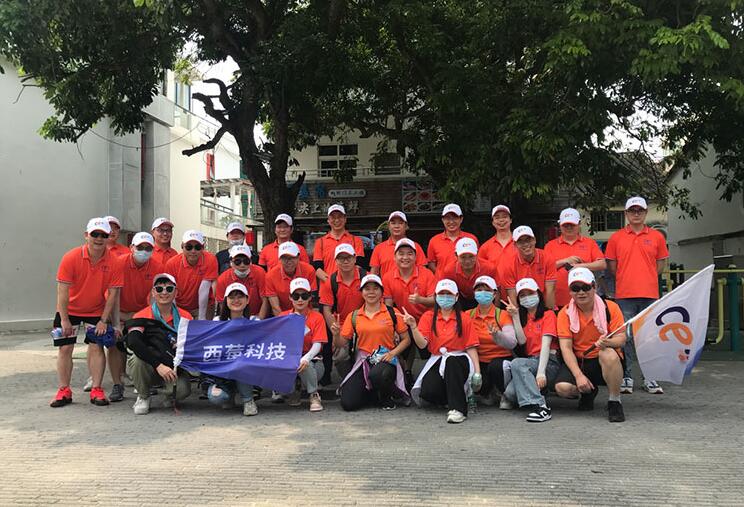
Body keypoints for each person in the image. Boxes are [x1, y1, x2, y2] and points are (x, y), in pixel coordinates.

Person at [50, 218, 123, 408]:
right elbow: (62, 291)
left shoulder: (114, 261)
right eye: (95, 234)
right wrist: (64, 319)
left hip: (96, 310)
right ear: (86, 235)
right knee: (65, 348)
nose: (99, 239)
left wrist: (103, 321)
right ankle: (64, 389)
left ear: (108, 238)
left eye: (103, 235)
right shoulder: (71, 257)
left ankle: (97, 389)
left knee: (97, 347)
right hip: (70, 309)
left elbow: (113, 295)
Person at [606, 196, 669, 395]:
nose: (636, 214)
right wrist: (628, 279)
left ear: (645, 213)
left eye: (639, 210)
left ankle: (650, 377)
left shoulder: (657, 237)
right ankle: (627, 376)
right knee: (626, 337)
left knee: (649, 337)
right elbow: (613, 267)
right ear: (626, 213)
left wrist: (646, 278)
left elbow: (660, 265)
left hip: (650, 294)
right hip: (624, 295)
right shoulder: (616, 238)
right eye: (632, 210)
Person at [553, 268, 626, 423]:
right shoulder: (564, 313)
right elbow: (566, 348)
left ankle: (614, 401)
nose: (581, 292)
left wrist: (608, 342)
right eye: (575, 288)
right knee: (562, 388)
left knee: (608, 354)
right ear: (570, 291)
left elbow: (621, 339)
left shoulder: (611, 308)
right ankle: (588, 392)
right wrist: (578, 376)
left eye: (586, 287)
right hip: (580, 360)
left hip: (602, 358)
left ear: (595, 287)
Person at [405, 279, 481, 424]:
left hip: (459, 359)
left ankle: (458, 409)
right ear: (435, 296)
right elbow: (422, 345)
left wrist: (477, 372)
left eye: (449, 294)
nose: (445, 297)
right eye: (442, 294)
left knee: (452, 362)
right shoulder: (428, 317)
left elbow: (471, 346)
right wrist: (414, 327)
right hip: (438, 358)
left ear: (456, 296)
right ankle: (453, 396)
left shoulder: (464, 318)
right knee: (428, 391)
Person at [332, 274, 411, 411]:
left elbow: (406, 340)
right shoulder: (354, 315)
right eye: (367, 289)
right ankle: (373, 395)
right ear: (361, 292)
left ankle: (388, 397)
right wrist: (336, 334)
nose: (371, 292)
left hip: (387, 359)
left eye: (375, 288)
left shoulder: (392, 312)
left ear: (382, 292)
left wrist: (393, 353)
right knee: (348, 403)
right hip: (363, 360)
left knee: (377, 375)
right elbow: (340, 343)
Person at [125, 274, 193, 415]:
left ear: (176, 292)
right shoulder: (141, 315)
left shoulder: (185, 317)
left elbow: (192, 345)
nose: (164, 293)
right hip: (150, 364)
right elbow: (133, 341)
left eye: (169, 289)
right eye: (159, 289)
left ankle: (169, 394)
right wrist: (158, 365)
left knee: (182, 391)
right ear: (153, 292)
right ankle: (143, 396)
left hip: (174, 366)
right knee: (137, 359)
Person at [108, 232, 163, 402]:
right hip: (119, 311)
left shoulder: (157, 267)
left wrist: (144, 319)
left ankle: (147, 382)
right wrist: (118, 322)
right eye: (140, 247)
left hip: (142, 314)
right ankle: (117, 384)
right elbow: (113, 295)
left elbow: (156, 296)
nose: (144, 251)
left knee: (150, 341)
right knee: (115, 343)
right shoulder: (118, 263)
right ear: (132, 248)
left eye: (148, 248)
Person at [501, 278, 561, 423]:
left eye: (530, 293)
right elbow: (522, 341)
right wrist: (515, 317)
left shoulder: (548, 314)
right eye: (522, 295)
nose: (527, 297)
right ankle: (540, 393)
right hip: (531, 361)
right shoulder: (524, 317)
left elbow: (546, 345)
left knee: (516, 363)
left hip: (548, 361)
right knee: (510, 393)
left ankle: (541, 407)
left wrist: (541, 373)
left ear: (538, 294)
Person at [382, 238, 436, 387]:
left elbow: (435, 300)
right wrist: (393, 327)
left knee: (429, 349)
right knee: (401, 337)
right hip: (403, 319)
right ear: (394, 257)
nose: (405, 257)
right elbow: (388, 305)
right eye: (401, 254)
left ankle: (432, 373)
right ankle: (405, 372)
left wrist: (420, 300)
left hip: (426, 319)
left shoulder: (427, 274)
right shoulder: (387, 277)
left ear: (416, 257)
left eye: (410, 254)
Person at [205, 283, 259, 416]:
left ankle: (248, 400)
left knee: (241, 363)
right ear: (226, 301)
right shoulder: (217, 321)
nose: (236, 300)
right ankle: (230, 393)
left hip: (246, 371)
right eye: (232, 297)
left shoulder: (254, 321)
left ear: (247, 300)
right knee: (217, 397)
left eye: (240, 296)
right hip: (222, 373)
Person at [467, 275, 516, 407]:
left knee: (496, 367)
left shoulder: (503, 314)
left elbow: (512, 342)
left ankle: (505, 394)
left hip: (500, 359)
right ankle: (486, 393)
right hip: (479, 360)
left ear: (494, 294)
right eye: (479, 290)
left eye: (487, 290)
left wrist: (497, 335)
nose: (482, 293)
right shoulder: (467, 315)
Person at [319, 244, 365, 383]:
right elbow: (326, 309)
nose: (345, 261)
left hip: (364, 321)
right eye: (341, 258)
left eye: (348, 258)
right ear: (336, 261)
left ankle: (365, 379)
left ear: (355, 258)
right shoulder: (330, 281)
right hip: (342, 324)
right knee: (340, 356)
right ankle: (349, 380)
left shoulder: (366, 277)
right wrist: (335, 331)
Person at [278, 278, 327, 412]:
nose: (300, 300)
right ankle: (295, 388)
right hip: (289, 359)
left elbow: (318, 343)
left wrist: (306, 358)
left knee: (305, 364)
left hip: (313, 361)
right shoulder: (283, 316)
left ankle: (314, 394)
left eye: (304, 296)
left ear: (310, 297)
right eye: (296, 296)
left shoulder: (317, 317)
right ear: (290, 298)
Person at [544, 208, 606, 308]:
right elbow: (544, 268)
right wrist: (564, 261)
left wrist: (580, 266)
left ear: (579, 224)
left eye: (572, 224)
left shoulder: (590, 243)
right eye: (565, 225)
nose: (569, 227)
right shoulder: (550, 246)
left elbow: (602, 264)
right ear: (560, 225)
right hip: (559, 301)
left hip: (586, 301)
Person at [165, 230, 219, 319]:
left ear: (203, 247)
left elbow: (204, 289)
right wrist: (175, 314)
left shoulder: (210, 259)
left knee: (204, 330)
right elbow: (171, 291)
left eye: (197, 247)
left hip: (204, 305)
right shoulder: (172, 263)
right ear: (182, 246)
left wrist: (201, 317)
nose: (193, 251)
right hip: (180, 306)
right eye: (189, 247)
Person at [500, 225, 557, 309]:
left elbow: (550, 290)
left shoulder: (547, 257)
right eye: (520, 242)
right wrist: (518, 316)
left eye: (528, 240)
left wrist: (548, 313)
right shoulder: (509, 264)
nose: (526, 244)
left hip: (543, 304)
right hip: (522, 306)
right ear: (515, 245)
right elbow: (512, 295)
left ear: (534, 240)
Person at [312, 204, 364, 283]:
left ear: (345, 219)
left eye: (340, 217)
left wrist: (346, 282)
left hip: (351, 285)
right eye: (333, 217)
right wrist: (331, 283)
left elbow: (359, 264)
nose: (337, 220)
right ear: (328, 220)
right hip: (327, 287)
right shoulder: (320, 242)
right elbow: (317, 267)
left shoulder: (356, 240)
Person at [441, 238, 497, 310]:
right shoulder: (449, 270)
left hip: (485, 298)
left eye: (471, 256)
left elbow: (496, 291)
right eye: (463, 257)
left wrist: (496, 313)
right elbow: (448, 293)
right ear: (456, 255)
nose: (467, 261)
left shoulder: (489, 268)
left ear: (477, 254)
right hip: (460, 299)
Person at [215, 245, 269, 319]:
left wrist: (259, 321)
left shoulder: (260, 272)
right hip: (233, 317)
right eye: (238, 261)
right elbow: (222, 304)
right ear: (231, 262)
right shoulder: (223, 279)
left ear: (251, 261)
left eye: (246, 261)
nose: (242, 265)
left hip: (256, 315)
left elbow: (265, 299)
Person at [426, 203, 479, 276]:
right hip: (444, 285)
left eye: (455, 218)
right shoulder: (434, 241)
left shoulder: (471, 239)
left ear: (461, 219)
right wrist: (441, 275)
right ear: (442, 220)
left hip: (466, 282)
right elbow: (431, 263)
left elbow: (477, 261)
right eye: (448, 218)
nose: (451, 222)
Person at [265, 242, 317, 315]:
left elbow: (314, 300)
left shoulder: (309, 270)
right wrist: (287, 323)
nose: (289, 261)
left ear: (298, 257)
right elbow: (275, 307)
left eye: (292, 257)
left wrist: (314, 319)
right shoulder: (270, 276)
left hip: (307, 315)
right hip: (283, 316)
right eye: (284, 258)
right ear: (279, 259)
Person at [369, 211, 426, 278]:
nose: (396, 226)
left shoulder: (415, 246)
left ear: (406, 226)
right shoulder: (379, 248)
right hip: (387, 287)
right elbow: (374, 273)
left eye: (400, 223)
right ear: (388, 226)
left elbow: (423, 272)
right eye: (393, 223)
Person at [478, 204, 515, 269]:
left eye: (504, 217)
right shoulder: (485, 247)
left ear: (510, 220)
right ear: (493, 222)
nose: (501, 220)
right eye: (497, 218)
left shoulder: (520, 243)